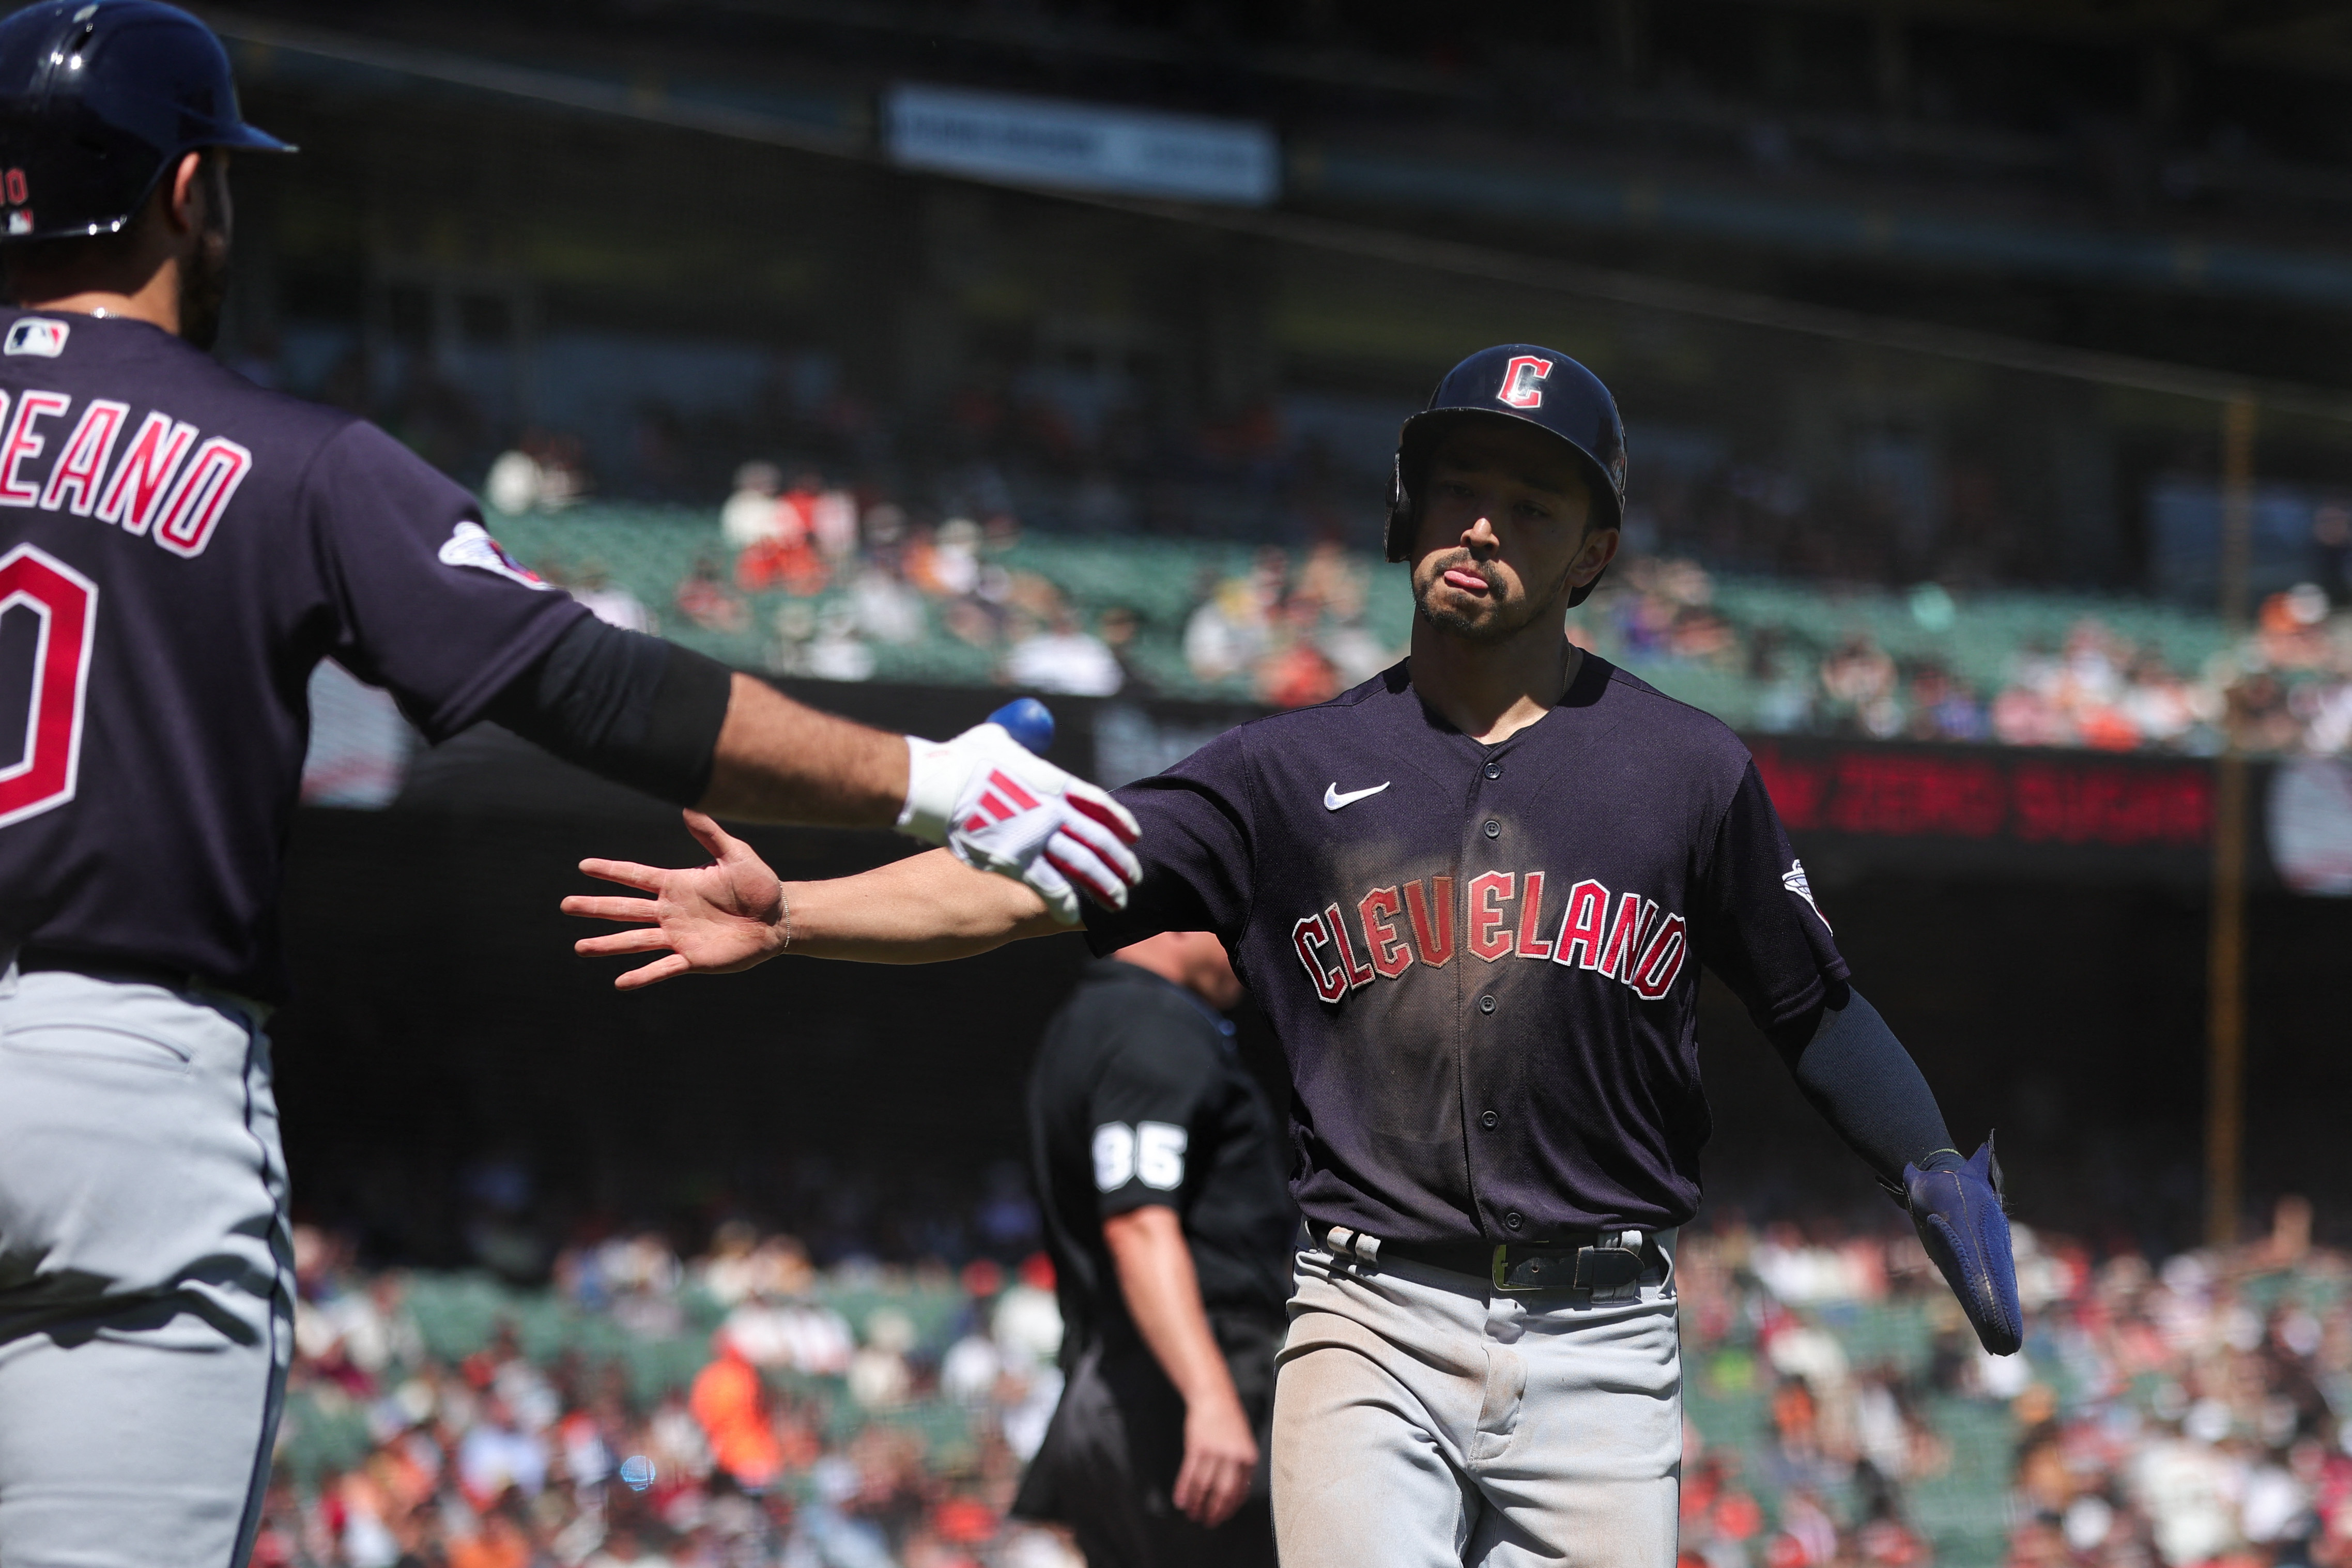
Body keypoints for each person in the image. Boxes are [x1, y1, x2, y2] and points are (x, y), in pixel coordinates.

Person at [566, 343, 2022, 1568]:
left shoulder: (1686, 771)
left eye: (1529, 502)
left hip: (1602, 1332)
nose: (1481, 524)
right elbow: (1030, 888)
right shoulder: (1282, 770)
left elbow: (1808, 1004)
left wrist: (1925, 1164)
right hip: (1364, 1314)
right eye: (1456, 487)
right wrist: (801, 914)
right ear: (1406, 513)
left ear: (1591, 551)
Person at [0, 6, 1139, 1566]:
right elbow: (576, 681)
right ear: (192, 189)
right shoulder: (290, 456)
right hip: (123, 1073)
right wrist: (936, 779)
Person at [1012, 930, 1292, 1567]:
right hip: (1180, 1389)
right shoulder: (1155, 1024)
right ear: (1180, 917)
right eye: (1234, 924)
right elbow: (1138, 1221)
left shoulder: (1084, 1019)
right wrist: (1210, 1396)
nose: (1250, 953)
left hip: (1107, 1378)